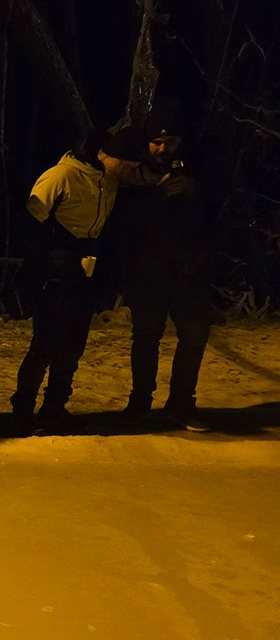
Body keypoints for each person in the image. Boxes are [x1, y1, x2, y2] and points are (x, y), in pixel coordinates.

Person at [10, 126, 149, 434]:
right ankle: (22, 408)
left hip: (86, 271)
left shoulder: (108, 180)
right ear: (105, 155)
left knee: (73, 344)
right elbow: (30, 222)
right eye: (124, 164)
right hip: (53, 272)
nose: (126, 171)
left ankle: (55, 407)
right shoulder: (62, 175)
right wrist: (48, 260)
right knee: (45, 343)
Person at [113, 109, 214, 432]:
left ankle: (181, 404)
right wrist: (159, 195)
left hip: (189, 271)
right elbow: (122, 222)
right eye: (157, 141)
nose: (163, 148)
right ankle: (140, 402)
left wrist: (194, 192)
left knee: (194, 337)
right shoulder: (132, 173)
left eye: (170, 141)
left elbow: (215, 216)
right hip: (147, 272)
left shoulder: (197, 169)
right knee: (146, 336)